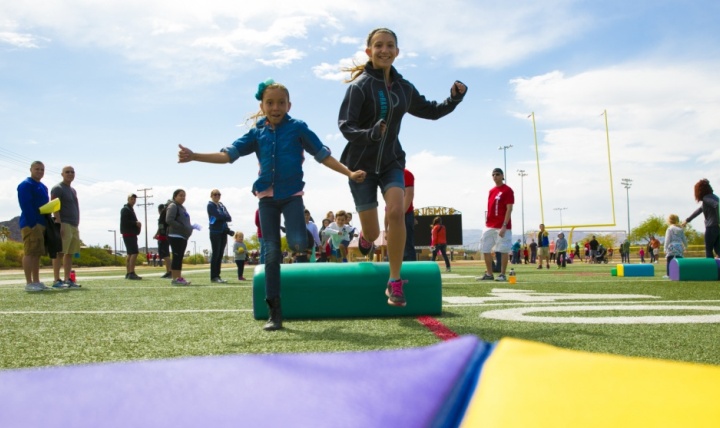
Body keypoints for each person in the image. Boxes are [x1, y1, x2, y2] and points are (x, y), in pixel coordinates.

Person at [178, 79, 365, 331]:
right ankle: (274, 311)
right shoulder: (257, 133)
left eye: (280, 103)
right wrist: (195, 156)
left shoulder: (297, 128)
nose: (275, 107)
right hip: (266, 199)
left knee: (298, 242)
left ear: (289, 105)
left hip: (292, 197)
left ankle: (304, 240)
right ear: (262, 105)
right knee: (272, 252)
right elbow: (228, 155)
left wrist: (349, 173)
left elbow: (323, 155)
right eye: (270, 103)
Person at [338, 27, 466, 306]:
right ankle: (365, 237)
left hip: (392, 162)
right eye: (379, 45)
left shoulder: (404, 88)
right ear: (369, 51)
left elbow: (431, 111)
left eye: (390, 46)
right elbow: (345, 126)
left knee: (396, 211)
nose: (385, 50)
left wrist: (454, 98)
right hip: (360, 167)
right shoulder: (359, 87)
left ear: (397, 52)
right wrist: (370, 133)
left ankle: (394, 282)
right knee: (373, 233)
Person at [18, 161, 51, 292]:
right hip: (30, 224)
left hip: (42, 223)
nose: (39, 171)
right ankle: (29, 283)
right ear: (31, 169)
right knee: (30, 252)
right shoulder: (25, 185)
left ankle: (36, 281)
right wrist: (32, 224)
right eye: (37, 169)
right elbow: (25, 205)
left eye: (42, 169)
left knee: (37, 253)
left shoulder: (43, 186)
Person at [477, 168, 514, 281]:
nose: (495, 176)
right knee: (484, 248)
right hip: (490, 225)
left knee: (503, 250)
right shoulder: (491, 191)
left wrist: (504, 225)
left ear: (502, 176)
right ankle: (489, 274)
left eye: (497, 174)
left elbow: (509, 209)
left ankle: (502, 274)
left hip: (502, 226)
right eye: (493, 175)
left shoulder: (508, 190)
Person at [49, 166, 82, 289]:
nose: (70, 174)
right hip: (64, 224)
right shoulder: (58, 188)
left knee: (70, 253)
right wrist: (59, 223)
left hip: (74, 225)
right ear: (62, 174)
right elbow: (54, 206)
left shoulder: (73, 190)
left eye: (72, 172)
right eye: (67, 172)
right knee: (60, 252)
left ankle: (67, 279)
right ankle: (57, 280)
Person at [682, 179, 720, 258]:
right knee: (718, 249)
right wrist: (687, 220)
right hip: (717, 228)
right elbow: (699, 210)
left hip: (711, 227)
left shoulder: (706, 198)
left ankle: (710, 269)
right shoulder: (714, 197)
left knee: (708, 249)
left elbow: (716, 205)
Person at [166, 189, 195, 286]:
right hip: (175, 235)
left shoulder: (182, 208)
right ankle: (175, 278)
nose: (183, 197)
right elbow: (169, 220)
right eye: (180, 195)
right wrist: (181, 227)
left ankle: (179, 277)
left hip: (183, 236)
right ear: (175, 196)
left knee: (179, 258)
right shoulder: (173, 206)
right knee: (176, 257)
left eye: (184, 195)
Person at [208, 189, 233, 283]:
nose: (217, 196)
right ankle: (213, 276)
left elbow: (229, 218)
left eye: (219, 194)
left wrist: (222, 216)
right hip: (215, 232)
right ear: (211, 196)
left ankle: (217, 275)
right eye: (215, 194)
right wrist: (223, 216)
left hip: (223, 232)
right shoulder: (210, 205)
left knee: (220, 254)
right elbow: (217, 216)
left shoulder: (221, 205)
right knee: (216, 254)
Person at [120, 193, 142, 280]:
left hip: (131, 233)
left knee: (130, 253)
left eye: (134, 199)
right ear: (128, 199)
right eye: (132, 199)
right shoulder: (125, 209)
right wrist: (135, 223)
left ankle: (128, 272)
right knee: (134, 252)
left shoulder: (130, 209)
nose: (133, 201)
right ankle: (131, 272)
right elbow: (125, 221)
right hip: (128, 233)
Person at [663, 214, 687, 279]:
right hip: (679, 246)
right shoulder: (680, 229)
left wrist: (665, 248)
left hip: (672, 246)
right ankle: (681, 273)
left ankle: (668, 274)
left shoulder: (669, 229)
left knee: (669, 260)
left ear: (669, 221)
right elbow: (684, 238)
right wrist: (685, 246)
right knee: (679, 259)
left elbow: (667, 239)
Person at [154, 201, 172, 278]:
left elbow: (161, 227)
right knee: (166, 255)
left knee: (166, 256)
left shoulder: (163, 215)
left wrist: (158, 234)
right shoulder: (166, 216)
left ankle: (169, 271)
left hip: (163, 238)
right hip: (165, 237)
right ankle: (168, 271)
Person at [403, 169, 416, 261]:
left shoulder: (406, 173)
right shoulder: (388, 173)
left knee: (407, 246)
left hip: (405, 214)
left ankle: (411, 271)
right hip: (393, 213)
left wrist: (401, 213)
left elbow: (409, 195)